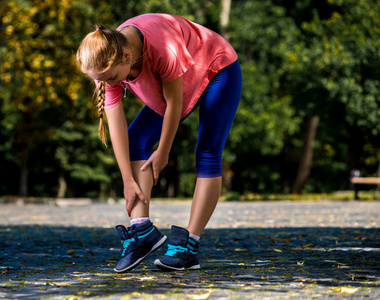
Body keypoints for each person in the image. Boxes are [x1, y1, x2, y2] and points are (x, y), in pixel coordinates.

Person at [76, 13, 242, 272]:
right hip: (177, 84)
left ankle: (189, 245)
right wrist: (127, 180)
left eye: (111, 78)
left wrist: (163, 150)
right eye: (103, 79)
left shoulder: (161, 46)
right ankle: (141, 231)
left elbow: (174, 103)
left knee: (207, 154)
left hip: (217, 69)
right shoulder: (110, 54)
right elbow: (119, 128)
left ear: (127, 57)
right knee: (136, 139)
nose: (109, 84)